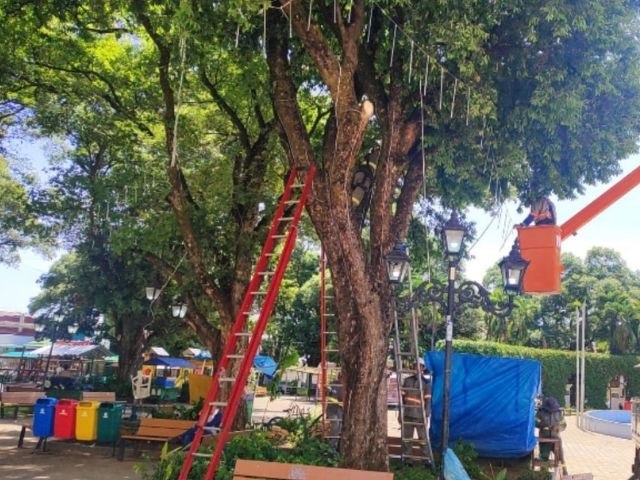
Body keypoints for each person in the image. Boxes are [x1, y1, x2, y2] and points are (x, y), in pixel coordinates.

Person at [401, 362, 432, 462]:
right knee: (407, 439)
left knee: (423, 439)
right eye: (415, 366)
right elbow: (402, 399)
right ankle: (407, 460)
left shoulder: (426, 383)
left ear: (423, 368)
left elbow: (428, 401)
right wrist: (400, 414)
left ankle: (425, 460)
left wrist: (426, 415)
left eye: (420, 366)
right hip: (407, 414)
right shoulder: (407, 381)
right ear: (413, 367)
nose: (418, 368)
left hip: (420, 416)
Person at [536, 396, 566, 464]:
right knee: (544, 458)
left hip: (556, 439)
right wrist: (542, 426)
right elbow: (535, 422)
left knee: (560, 458)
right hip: (544, 438)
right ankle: (544, 472)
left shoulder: (559, 412)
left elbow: (564, 425)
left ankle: (563, 471)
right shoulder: (540, 411)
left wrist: (558, 427)